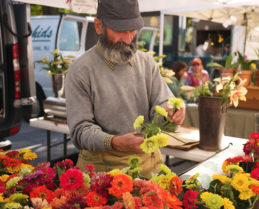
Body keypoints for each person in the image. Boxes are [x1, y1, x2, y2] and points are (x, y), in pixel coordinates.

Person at [65, 0, 185, 178]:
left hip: (148, 167)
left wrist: (172, 113)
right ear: (99, 26)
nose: (128, 39)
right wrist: (114, 142)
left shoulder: (147, 63)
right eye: (121, 30)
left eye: (133, 30)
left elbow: (162, 104)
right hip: (103, 173)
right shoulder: (80, 70)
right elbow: (80, 131)